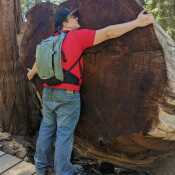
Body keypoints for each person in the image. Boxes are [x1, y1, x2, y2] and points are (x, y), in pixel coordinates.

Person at [27, 7, 154, 175]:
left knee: (46, 130)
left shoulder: (48, 41)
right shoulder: (77, 37)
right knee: (64, 135)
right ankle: (63, 171)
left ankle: (40, 168)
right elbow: (108, 33)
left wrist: (31, 74)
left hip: (48, 92)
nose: (77, 19)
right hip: (67, 95)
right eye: (73, 17)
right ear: (64, 23)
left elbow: (38, 61)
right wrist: (137, 23)